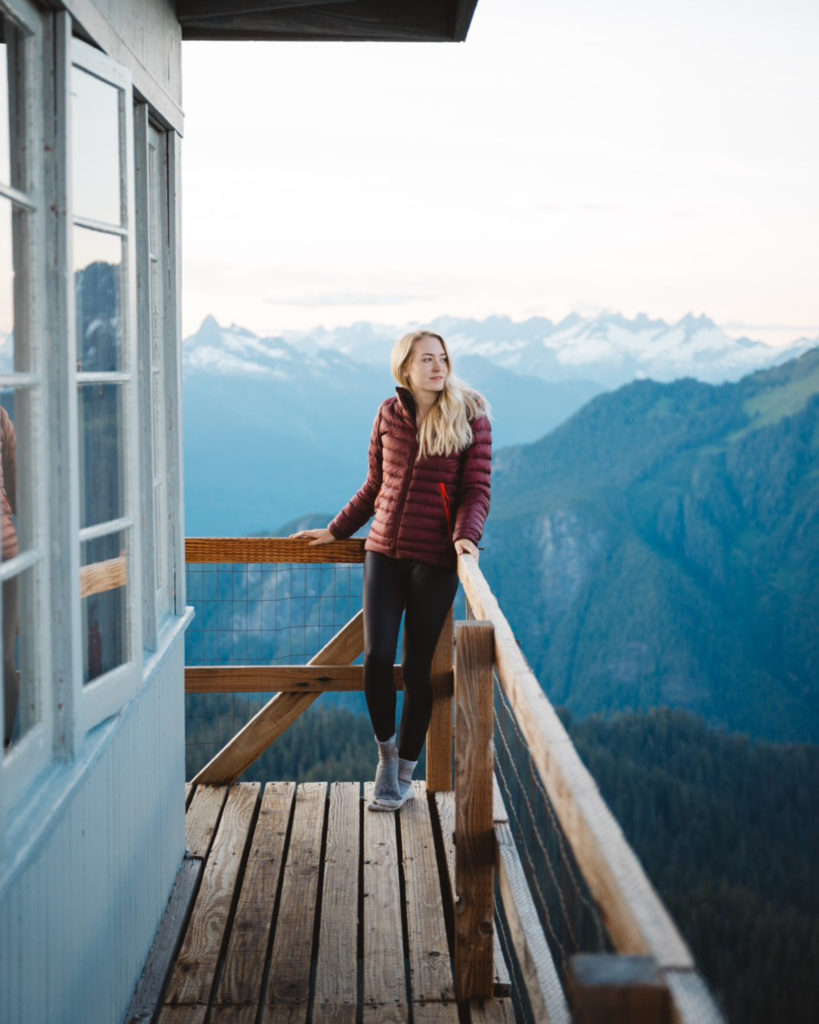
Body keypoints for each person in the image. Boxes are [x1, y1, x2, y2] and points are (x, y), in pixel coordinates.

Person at [292, 330, 492, 810]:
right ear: (405, 368)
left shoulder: (471, 415)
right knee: (377, 658)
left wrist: (467, 537)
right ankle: (385, 754)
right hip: (381, 551)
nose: (437, 367)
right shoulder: (389, 413)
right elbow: (375, 484)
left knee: (418, 670)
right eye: (426, 359)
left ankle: (405, 770)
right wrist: (337, 531)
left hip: (436, 560)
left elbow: (476, 490)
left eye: (442, 358)